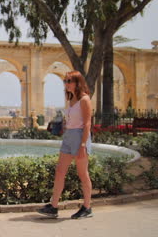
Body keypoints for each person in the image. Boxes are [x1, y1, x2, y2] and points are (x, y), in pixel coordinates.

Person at [37, 71, 93, 219]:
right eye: (65, 81)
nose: (66, 84)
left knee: (83, 174)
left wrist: (82, 145)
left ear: (77, 82)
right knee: (60, 172)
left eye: (69, 81)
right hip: (68, 137)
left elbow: (87, 124)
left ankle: (87, 207)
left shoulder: (84, 99)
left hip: (80, 137)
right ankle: (54, 206)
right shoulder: (71, 99)